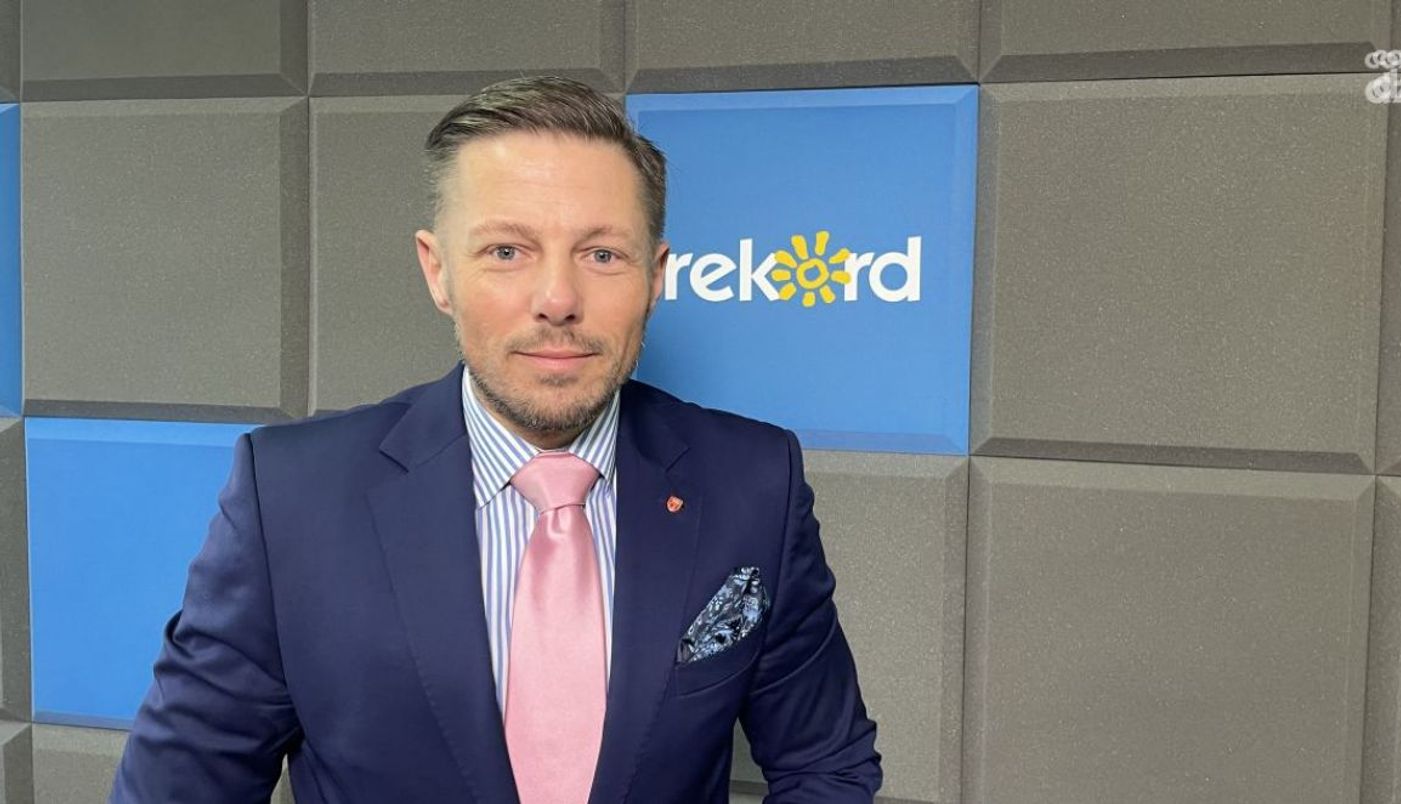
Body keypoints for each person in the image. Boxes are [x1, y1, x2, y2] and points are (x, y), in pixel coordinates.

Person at [109, 76, 881, 803]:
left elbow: (827, 764)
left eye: (602, 254)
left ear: (655, 276)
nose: (557, 299)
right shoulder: (291, 498)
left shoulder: (754, 482)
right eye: (507, 251)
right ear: (438, 271)